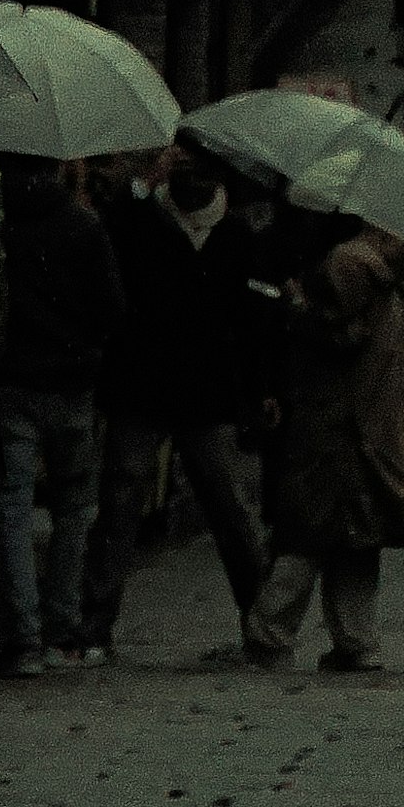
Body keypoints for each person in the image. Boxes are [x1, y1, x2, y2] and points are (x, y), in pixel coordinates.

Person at [240, 209, 404, 669]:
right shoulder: (381, 260)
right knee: (356, 533)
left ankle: (269, 633)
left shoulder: (348, 261)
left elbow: (341, 336)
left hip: (337, 419)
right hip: (369, 416)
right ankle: (356, 640)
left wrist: (296, 307)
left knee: (308, 531)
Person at [79, 149, 268, 649]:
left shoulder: (235, 236)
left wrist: (258, 386)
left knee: (226, 504)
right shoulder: (138, 222)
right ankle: (94, 625)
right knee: (121, 501)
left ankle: (261, 621)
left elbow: (249, 321)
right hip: (144, 384)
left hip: (205, 391)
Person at [0, 149, 124, 674]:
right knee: (73, 508)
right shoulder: (81, 224)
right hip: (71, 384)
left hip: (13, 380)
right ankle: (62, 626)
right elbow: (112, 307)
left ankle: (22, 638)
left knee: (13, 506)